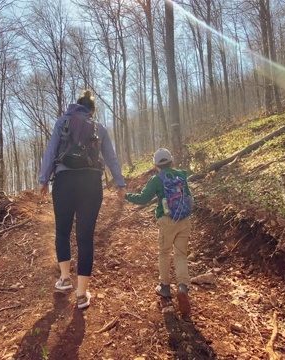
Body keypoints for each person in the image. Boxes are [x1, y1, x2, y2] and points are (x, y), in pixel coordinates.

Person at [38, 90, 126, 310]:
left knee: (62, 232)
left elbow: (50, 152)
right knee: (85, 237)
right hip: (90, 183)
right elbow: (111, 157)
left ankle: (65, 279)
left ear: (75, 107)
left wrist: (43, 179)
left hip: (64, 182)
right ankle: (81, 293)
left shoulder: (62, 122)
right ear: (92, 111)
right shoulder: (99, 128)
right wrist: (119, 182)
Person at [124, 148, 193, 316]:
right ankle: (183, 286)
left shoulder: (156, 179)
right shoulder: (181, 175)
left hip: (167, 221)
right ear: (171, 161)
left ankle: (165, 287)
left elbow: (143, 198)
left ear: (156, 165)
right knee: (181, 255)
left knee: (164, 253)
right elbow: (190, 196)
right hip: (184, 219)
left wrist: (126, 196)